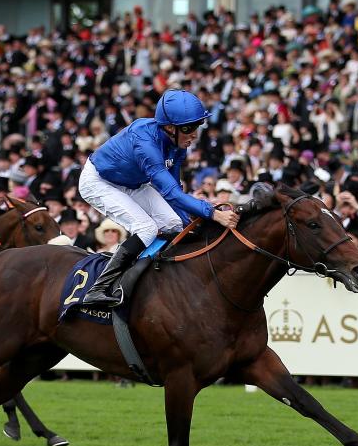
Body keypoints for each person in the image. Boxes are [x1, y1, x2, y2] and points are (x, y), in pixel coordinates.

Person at [77, 90, 239, 305]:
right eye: (189, 129)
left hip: (132, 182)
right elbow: (171, 193)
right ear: (170, 128)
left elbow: (174, 192)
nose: (194, 135)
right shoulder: (146, 144)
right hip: (98, 181)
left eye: (197, 127)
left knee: (173, 222)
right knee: (146, 228)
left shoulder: (177, 143)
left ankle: (153, 276)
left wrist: (189, 222)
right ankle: (99, 287)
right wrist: (213, 214)